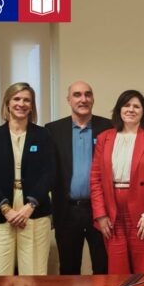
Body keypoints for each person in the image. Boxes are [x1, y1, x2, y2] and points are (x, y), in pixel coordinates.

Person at [90, 90, 144, 274]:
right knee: (117, 271)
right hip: (112, 214)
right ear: (119, 109)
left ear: (143, 111)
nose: (131, 110)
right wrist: (100, 214)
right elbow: (95, 179)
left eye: (136, 106)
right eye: (126, 105)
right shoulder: (104, 138)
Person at [0, 82, 54, 275]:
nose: (22, 104)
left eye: (27, 100)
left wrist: (30, 205)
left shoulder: (43, 135)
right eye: (17, 99)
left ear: (32, 105)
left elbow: (49, 173)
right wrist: (6, 209)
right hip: (0, 211)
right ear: (8, 103)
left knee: (34, 275)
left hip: (34, 211)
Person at [45, 81, 112, 275]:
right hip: (67, 211)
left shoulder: (108, 128)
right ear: (68, 100)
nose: (83, 99)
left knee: (103, 267)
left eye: (87, 94)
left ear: (93, 98)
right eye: (77, 95)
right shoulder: (52, 130)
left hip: (100, 211)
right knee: (68, 268)